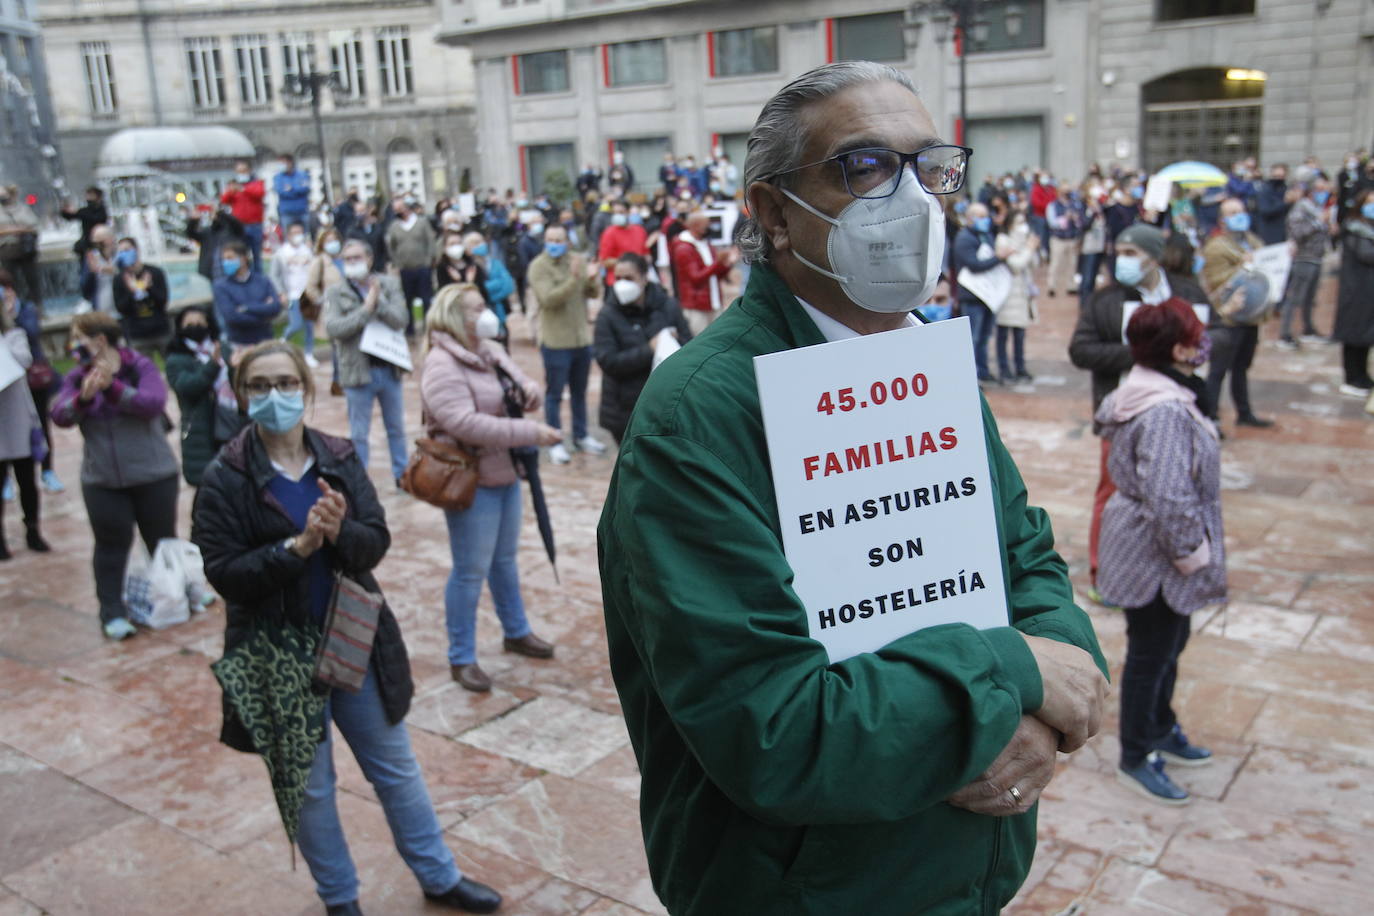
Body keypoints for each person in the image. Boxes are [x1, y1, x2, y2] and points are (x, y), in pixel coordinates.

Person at [598, 61, 1107, 916]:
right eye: (864, 166)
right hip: (807, 890)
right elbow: (776, 729)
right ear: (772, 213)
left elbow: (1026, 559)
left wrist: (1051, 700)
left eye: (927, 167)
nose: (910, 200)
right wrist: (1011, 674)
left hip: (959, 874)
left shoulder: (923, 357)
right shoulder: (699, 416)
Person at [190, 341, 503, 916]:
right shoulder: (226, 477)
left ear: (306, 390)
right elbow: (225, 573)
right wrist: (296, 547)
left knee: (396, 769)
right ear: (240, 394)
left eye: (286, 383)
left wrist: (338, 534)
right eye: (259, 386)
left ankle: (439, 877)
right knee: (311, 790)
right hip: (278, 651)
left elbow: (375, 539)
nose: (274, 396)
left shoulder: (336, 455)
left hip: (351, 636)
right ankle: (340, 901)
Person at [1096, 298, 1222, 805]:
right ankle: (1136, 753)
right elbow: (1170, 496)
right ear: (1175, 347)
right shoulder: (1164, 409)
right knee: (1151, 652)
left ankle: (1161, 725)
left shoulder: (1158, 390)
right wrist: (1192, 553)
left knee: (1171, 641)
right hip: (1158, 554)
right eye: (1195, 336)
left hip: (1152, 547)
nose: (1202, 345)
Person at [418, 285, 561, 693]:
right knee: (470, 570)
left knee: (504, 560)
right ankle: (460, 655)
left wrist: (530, 393)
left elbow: (518, 383)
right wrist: (530, 432)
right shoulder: (442, 364)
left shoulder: (488, 349)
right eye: (477, 308)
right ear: (453, 315)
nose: (486, 314)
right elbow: (464, 423)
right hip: (471, 479)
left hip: (504, 472)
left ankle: (516, 630)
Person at [1069, 223, 1205, 602]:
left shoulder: (1188, 294)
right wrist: (1143, 350)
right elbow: (1081, 350)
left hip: (1179, 408)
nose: (1122, 261)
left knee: (1175, 490)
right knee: (1115, 494)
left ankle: (1172, 564)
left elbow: (1213, 338)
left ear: (1155, 256)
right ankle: (1105, 574)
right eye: (1120, 252)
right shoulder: (1106, 300)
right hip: (1126, 414)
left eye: (1132, 253)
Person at [51, 312, 179, 640]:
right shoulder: (78, 377)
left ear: (100, 340)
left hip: (153, 474)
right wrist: (84, 397)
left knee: (162, 541)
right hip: (103, 480)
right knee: (110, 545)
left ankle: (179, 594)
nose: (73, 344)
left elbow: (153, 403)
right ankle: (112, 611)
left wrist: (114, 389)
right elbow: (60, 414)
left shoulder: (139, 366)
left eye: (78, 337)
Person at [324, 240, 409, 484]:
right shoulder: (336, 292)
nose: (352, 263)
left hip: (388, 368)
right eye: (347, 259)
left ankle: (401, 475)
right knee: (359, 433)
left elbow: (401, 319)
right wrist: (365, 309)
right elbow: (334, 328)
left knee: (396, 428)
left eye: (356, 257)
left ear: (369, 259)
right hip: (357, 372)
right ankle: (360, 483)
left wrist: (378, 302)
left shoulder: (389, 284)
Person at [593, 252, 692, 444]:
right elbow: (608, 361)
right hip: (624, 409)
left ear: (644, 278)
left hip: (664, 405)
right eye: (618, 278)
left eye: (629, 278)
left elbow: (689, 345)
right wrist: (649, 349)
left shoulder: (667, 306)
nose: (622, 284)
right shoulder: (607, 315)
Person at [527, 224, 605, 465]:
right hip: (555, 341)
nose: (554, 243)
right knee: (555, 394)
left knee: (579, 392)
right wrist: (573, 278)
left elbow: (591, 293)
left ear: (567, 242)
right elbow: (549, 300)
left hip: (581, 338)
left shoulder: (577, 260)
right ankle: (555, 440)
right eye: (550, 238)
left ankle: (581, 435)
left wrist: (592, 278)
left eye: (559, 238)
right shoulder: (539, 266)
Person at [1199, 198, 1273, 428]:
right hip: (1228, 318)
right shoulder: (1216, 247)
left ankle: (1244, 412)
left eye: (1241, 211)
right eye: (1232, 213)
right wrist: (1244, 267)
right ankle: (1210, 416)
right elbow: (1217, 283)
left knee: (1241, 367)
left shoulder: (1252, 241)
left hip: (1251, 316)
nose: (1238, 216)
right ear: (1222, 220)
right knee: (1218, 370)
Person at [164, 306, 241, 488]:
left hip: (231, 422)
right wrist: (213, 365)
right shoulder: (176, 360)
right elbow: (188, 387)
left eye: (200, 322)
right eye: (189, 323)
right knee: (210, 485)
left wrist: (238, 368)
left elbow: (240, 386)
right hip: (200, 430)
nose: (195, 326)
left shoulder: (224, 349)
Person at [2, 272, 62, 494]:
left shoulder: (25, 309)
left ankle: (47, 471)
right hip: (5, 385)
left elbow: (32, 332)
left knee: (40, 425)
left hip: (33, 379)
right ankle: (6, 479)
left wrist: (10, 316)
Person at [0, 290, 49, 558]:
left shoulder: (14, 336)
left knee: (27, 481)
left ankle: (32, 530)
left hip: (17, 419)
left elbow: (25, 360)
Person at [1277, 178, 1333, 349]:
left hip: (1316, 257)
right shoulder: (1301, 208)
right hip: (1303, 258)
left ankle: (1308, 329)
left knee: (1310, 298)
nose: (1323, 193)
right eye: (1319, 189)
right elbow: (1297, 232)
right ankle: (1285, 334)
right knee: (1295, 297)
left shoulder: (1317, 209)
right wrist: (1319, 223)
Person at [953, 201, 1003, 383]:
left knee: (984, 337)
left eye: (985, 216)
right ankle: (971, 376)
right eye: (981, 217)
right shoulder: (964, 238)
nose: (985, 220)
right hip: (971, 297)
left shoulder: (985, 235)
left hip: (987, 296)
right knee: (972, 338)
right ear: (970, 218)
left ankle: (983, 370)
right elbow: (974, 265)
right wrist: (999, 258)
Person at [1332, 188, 1374, 398]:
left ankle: (1363, 375)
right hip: (1356, 290)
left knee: (1366, 335)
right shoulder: (1354, 229)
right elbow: (1367, 255)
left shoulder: (1369, 228)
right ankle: (1352, 377)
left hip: (1368, 291)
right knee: (1353, 334)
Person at [670, 209, 734, 336]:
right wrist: (718, 263)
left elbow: (715, 275)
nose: (709, 228)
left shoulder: (706, 244)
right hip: (697, 306)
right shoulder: (683, 248)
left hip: (713, 302)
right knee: (699, 341)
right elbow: (696, 278)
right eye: (706, 226)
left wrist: (726, 264)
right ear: (695, 226)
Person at [994, 211, 1039, 384]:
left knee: (1020, 334)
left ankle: (1020, 367)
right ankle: (1004, 369)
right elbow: (1016, 265)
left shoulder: (1025, 242)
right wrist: (1028, 249)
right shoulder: (1003, 240)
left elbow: (1034, 263)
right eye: (1019, 222)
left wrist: (1031, 248)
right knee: (1003, 334)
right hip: (1007, 294)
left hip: (1023, 295)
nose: (1022, 227)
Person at [213, 240, 283, 347]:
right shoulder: (221, 286)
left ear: (243, 258)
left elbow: (275, 307)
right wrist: (264, 314)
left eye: (230, 258)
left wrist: (246, 308)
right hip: (239, 343)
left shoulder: (262, 281)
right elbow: (231, 316)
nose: (225, 263)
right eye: (224, 259)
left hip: (266, 341)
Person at [110, 237, 171, 358]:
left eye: (127, 249)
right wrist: (133, 292)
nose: (124, 254)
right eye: (121, 251)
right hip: (137, 334)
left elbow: (163, 301)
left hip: (161, 330)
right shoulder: (119, 279)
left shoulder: (155, 272)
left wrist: (148, 287)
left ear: (137, 250)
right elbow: (121, 308)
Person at [384, 195, 436, 335]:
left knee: (426, 299)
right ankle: (410, 328)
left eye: (400, 208)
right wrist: (397, 262)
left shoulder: (421, 222)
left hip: (422, 267)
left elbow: (430, 241)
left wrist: (429, 260)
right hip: (405, 269)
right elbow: (391, 246)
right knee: (408, 299)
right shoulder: (394, 226)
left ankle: (428, 326)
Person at [271, 221, 319, 366]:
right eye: (294, 233)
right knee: (296, 324)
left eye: (300, 233)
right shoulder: (281, 253)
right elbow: (274, 275)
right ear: (288, 235)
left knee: (310, 326)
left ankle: (309, 353)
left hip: (308, 295)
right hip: (292, 294)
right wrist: (281, 293)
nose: (298, 236)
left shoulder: (307, 250)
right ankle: (283, 340)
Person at [0, 185, 41, 309]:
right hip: (7, 249)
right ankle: (14, 308)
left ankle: (38, 308)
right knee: (10, 281)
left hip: (25, 250)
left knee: (32, 280)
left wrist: (19, 230)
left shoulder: (23, 209)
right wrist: (15, 229)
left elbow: (34, 227)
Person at [222, 160, 267, 269]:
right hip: (239, 226)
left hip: (255, 224)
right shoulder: (232, 185)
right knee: (241, 254)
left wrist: (243, 189)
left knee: (257, 255)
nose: (241, 174)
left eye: (244, 171)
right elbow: (224, 200)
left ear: (249, 171)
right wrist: (231, 191)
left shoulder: (257, 183)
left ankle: (257, 278)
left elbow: (259, 193)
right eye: (239, 171)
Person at [597, 199, 649, 280]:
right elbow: (605, 261)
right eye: (615, 213)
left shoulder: (640, 230)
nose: (617, 215)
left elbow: (646, 253)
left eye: (621, 212)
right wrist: (630, 263)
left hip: (639, 280)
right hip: (618, 281)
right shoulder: (608, 233)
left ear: (628, 212)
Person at [1044, 184, 1081, 297]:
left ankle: (1071, 286)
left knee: (1072, 263)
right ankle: (1051, 286)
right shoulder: (1052, 206)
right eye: (1064, 191)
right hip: (1058, 239)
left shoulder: (1075, 205)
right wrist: (1064, 218)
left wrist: (1075, 219)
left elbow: (1080, 222)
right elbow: (1052, 223)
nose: (1067, 193)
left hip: (1072, 238)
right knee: (1055, 263)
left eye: (1068, 191)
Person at [60, 186, 109, 261]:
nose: (88, 197)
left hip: (99, 242)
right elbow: (71, 216)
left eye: (91, 195)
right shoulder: (85, 210)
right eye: (88, 195)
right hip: (87, 242)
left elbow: (98, 218)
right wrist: (65, 211)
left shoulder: (100, 210)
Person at [1253, 163, 1295, 245]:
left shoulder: (1287, 189)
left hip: (1285, 233)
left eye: (1281, 176)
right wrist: (1285, 203)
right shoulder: (1265, 190)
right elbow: (1265, 210)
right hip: (1270, 234)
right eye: (1276, 176)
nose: (1278, 179)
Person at [82, 225, 118, 313]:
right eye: (96, 242)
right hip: (102, 310)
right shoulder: (92, 258)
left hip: (123, 310)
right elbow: (85, 288)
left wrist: (104, 269)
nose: (98, 245)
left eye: (102, 242)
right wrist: (91, 272)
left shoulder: (121, 254)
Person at [272, 154, 312, 231]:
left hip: (302, 211)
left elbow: (305, 189)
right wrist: (297, 191)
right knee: (288, 237)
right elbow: (280, 191)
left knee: (306, 236)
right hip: (287, 213)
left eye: (283, 163)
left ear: (290, 163)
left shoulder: (302, 174)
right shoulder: (278, 177)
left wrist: (292, 189)